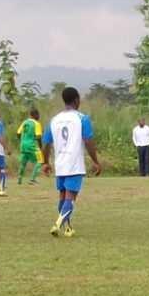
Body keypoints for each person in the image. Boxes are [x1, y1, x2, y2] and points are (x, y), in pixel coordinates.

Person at [41, 87, 100, 237]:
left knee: (62, 195)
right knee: (71, 197)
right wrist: (95, 161)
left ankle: (68, 227)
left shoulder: (54, 120)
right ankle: (57, 224)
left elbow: (46, 143)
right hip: (74, 164)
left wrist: (45, 162)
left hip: (60, 163)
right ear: (76, 99)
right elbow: (88, 141)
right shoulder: (82, 118)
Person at [16, 108, 43, 185]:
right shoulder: (36, 123)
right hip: (31, 144)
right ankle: (32, 179)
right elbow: (38, 136)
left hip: (23, 144)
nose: (38, 117)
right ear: (35, 115)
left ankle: (19, 179)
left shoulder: (24, 123)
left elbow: (18, 133)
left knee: (23, 162)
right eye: (38, 115)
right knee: (40, 160)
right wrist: (40, 145)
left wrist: (22, 140)